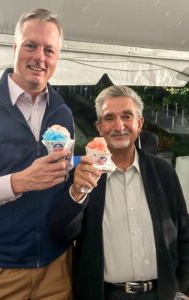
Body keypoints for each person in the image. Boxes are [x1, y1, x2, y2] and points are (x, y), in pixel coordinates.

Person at [0, 8, 74, 300]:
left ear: (57, 57)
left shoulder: (63, 111)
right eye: (31, 45)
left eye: (49, 50)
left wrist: (81, 183)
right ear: (15, 48)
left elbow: (63, 187)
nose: (40, 57)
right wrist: (19, 182)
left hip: (57, 267)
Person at [49, 86, 189, 300]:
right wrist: (76, 193)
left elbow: (184, 236)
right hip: (105, 294)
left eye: (127, 116)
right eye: (109, 118)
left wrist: (183, 288)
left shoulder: (163, 173)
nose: (119, 126)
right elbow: (61, 234)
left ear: (139, 123)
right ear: (99, 127)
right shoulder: (84, 174)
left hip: (161, 293)